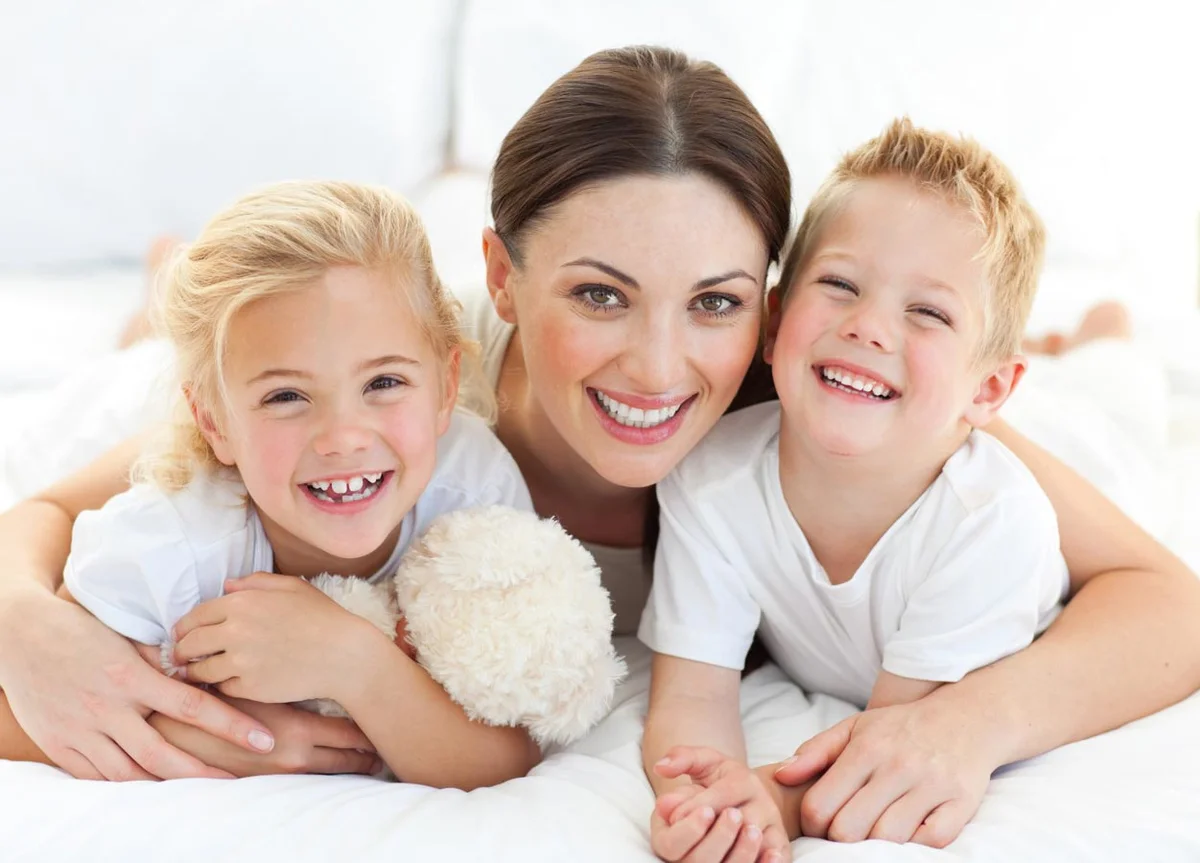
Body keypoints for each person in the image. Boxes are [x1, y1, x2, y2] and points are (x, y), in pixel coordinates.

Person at [0, 45, 1196, 860]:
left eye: (716, 300)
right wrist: (26, 621)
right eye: (599, 294)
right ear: (501, 277)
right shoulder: (394, 394)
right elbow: (61, 506)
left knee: (1108, 403)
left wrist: (969, 723)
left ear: (772, 302)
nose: (659, 368)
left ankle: (1086, 340)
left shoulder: (812, 398)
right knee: (154, 357)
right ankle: (158, 291)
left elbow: (1165, 600)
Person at [640, 118, 1069, 858]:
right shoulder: (709, 477)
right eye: (839, 285)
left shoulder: (990, 522)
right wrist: (707, 798)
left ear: (989, 389)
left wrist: (772, 800)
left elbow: (892, 745)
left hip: (1074, 456)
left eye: (928, 312)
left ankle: (1101, 335)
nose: (868, 326)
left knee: (1115, 403)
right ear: (774, 320)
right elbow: (692, 694)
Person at [43, 180, 540, 789]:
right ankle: (152, 306)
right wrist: (196, 735)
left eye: (383, 383)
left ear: (444, 389)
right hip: (124, 417)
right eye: (286, 396)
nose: (344, 438)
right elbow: (30, 706)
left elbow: (509, 755)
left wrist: (353, 663)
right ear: (213, 424)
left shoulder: (471, 494)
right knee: (132, 369)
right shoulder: (162, 548)